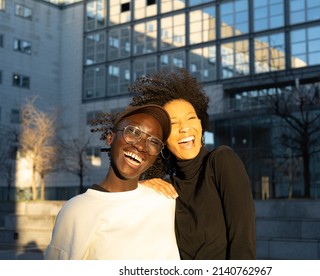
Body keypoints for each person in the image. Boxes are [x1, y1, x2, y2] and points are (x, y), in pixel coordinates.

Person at [130, 67, 256, 260]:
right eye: (173, 124)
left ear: (201, 123)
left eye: (191, 118)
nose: (185, 128)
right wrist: (138, 187)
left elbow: (243, 245)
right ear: (161, 137)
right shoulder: (166, 187)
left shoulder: (221, 161)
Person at [44, 105, 180, 260]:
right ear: (110, 138)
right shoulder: (77, 210)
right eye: (134, 132)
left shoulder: (163, 199)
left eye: (153, 141)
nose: (141, 146)